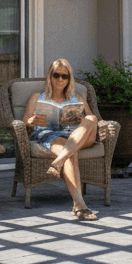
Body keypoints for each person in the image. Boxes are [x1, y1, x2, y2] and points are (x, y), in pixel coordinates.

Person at [22, 58, 99, 220]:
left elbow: (92, 118)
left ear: (69, 79)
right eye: (56, 75)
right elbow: (24, 123)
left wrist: (79, 119)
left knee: (91, 119)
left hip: (77, 134)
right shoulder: (37, 97)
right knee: (70, 151)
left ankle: (58, 162)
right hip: (49, 135)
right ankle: (80, 205)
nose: (60, 80)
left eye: (65, 76)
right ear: (50, 76)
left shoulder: (77, 98)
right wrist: (31, 121)